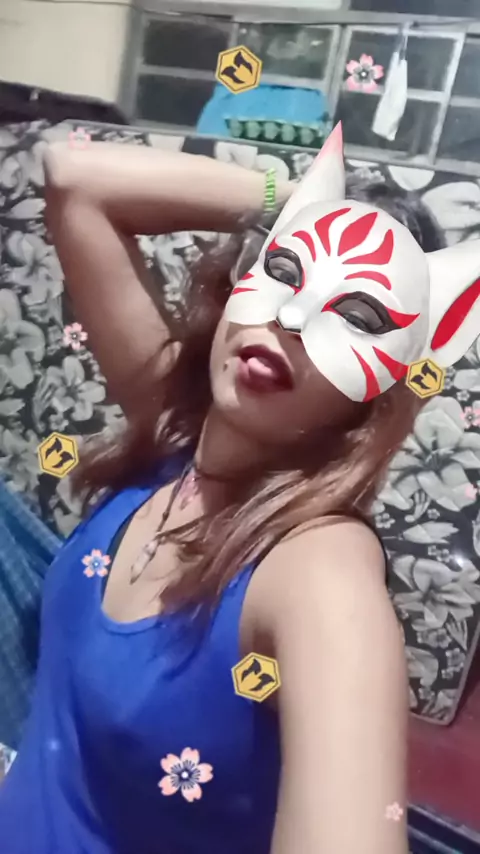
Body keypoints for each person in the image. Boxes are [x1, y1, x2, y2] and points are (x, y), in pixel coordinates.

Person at [1, 124, 479, 854]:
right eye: (286, 266)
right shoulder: (176, 435)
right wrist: (295, 201)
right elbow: (73, 175)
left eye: (358, 314)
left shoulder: (320, 579)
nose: (292, 318)